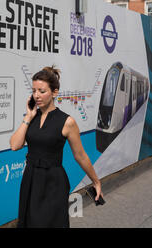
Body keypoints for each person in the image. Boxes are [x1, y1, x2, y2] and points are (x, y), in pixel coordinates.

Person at [10, 66, 103, 228]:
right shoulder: (31, 117)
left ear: (54, 92)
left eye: (42, 91)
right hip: (30, 179)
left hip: (53, 182)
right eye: (34, 91)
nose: (36, 95)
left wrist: (96, 181)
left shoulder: (67, 122)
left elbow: (80, 155)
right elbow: (15, 145)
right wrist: (28, 116)